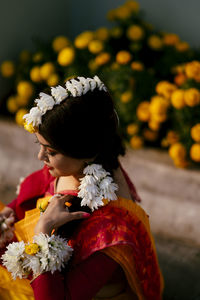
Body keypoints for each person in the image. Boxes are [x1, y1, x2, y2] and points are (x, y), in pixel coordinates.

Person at [0, 75, 163, 300]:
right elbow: (30, 193)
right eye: (41, 146)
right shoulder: (77, 165)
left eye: (52, 152)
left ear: (85, 151)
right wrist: (9, 212)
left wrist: (43, 232)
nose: (40, 157)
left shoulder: (111, 228)